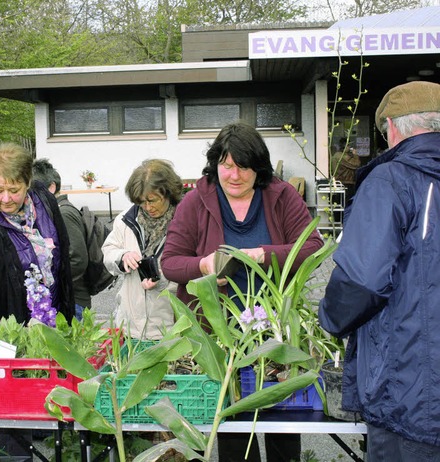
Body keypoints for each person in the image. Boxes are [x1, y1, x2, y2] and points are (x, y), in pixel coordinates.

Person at [161, 122, 323, 462]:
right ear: (215, 163)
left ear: (258, 167)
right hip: (218, 337)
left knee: (282, 426)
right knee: (233, 429)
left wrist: (264, 254)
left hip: (274, 332)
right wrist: (203, 267)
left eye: (244, 166)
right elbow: (170, 263)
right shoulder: (196, 201)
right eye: (226, 165)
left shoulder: (280, 195)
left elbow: (312, 246)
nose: (234, 175)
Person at [319, 81, 440, 461]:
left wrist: (329, 319)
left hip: (410, 392)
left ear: (390, 127)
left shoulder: (391, 181)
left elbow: (361, 283)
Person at [0, 143, 75, 461]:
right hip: (11, 325)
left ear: (28, 183)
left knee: (59, 395)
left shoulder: (45, 202)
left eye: (14, 189)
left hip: (53, 314)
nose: (6, 198)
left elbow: (61, 255)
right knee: (14, 407)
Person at [102, 159, 181, 340]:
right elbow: (108, 251)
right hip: (131, 326)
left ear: (168, 193)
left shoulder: (184, 221)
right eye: (141, 202)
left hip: (170, 327)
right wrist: (122, 257)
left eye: (152, 200)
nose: (148, 207)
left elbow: (193, 269)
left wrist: (161, 279)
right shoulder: (125, 220)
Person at [32, 158, 90, 318]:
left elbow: (78, 259)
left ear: (51, 187)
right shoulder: (54, 212)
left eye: (35, 190)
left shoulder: (63, 214)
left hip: (75, 299)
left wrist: (54, 280)